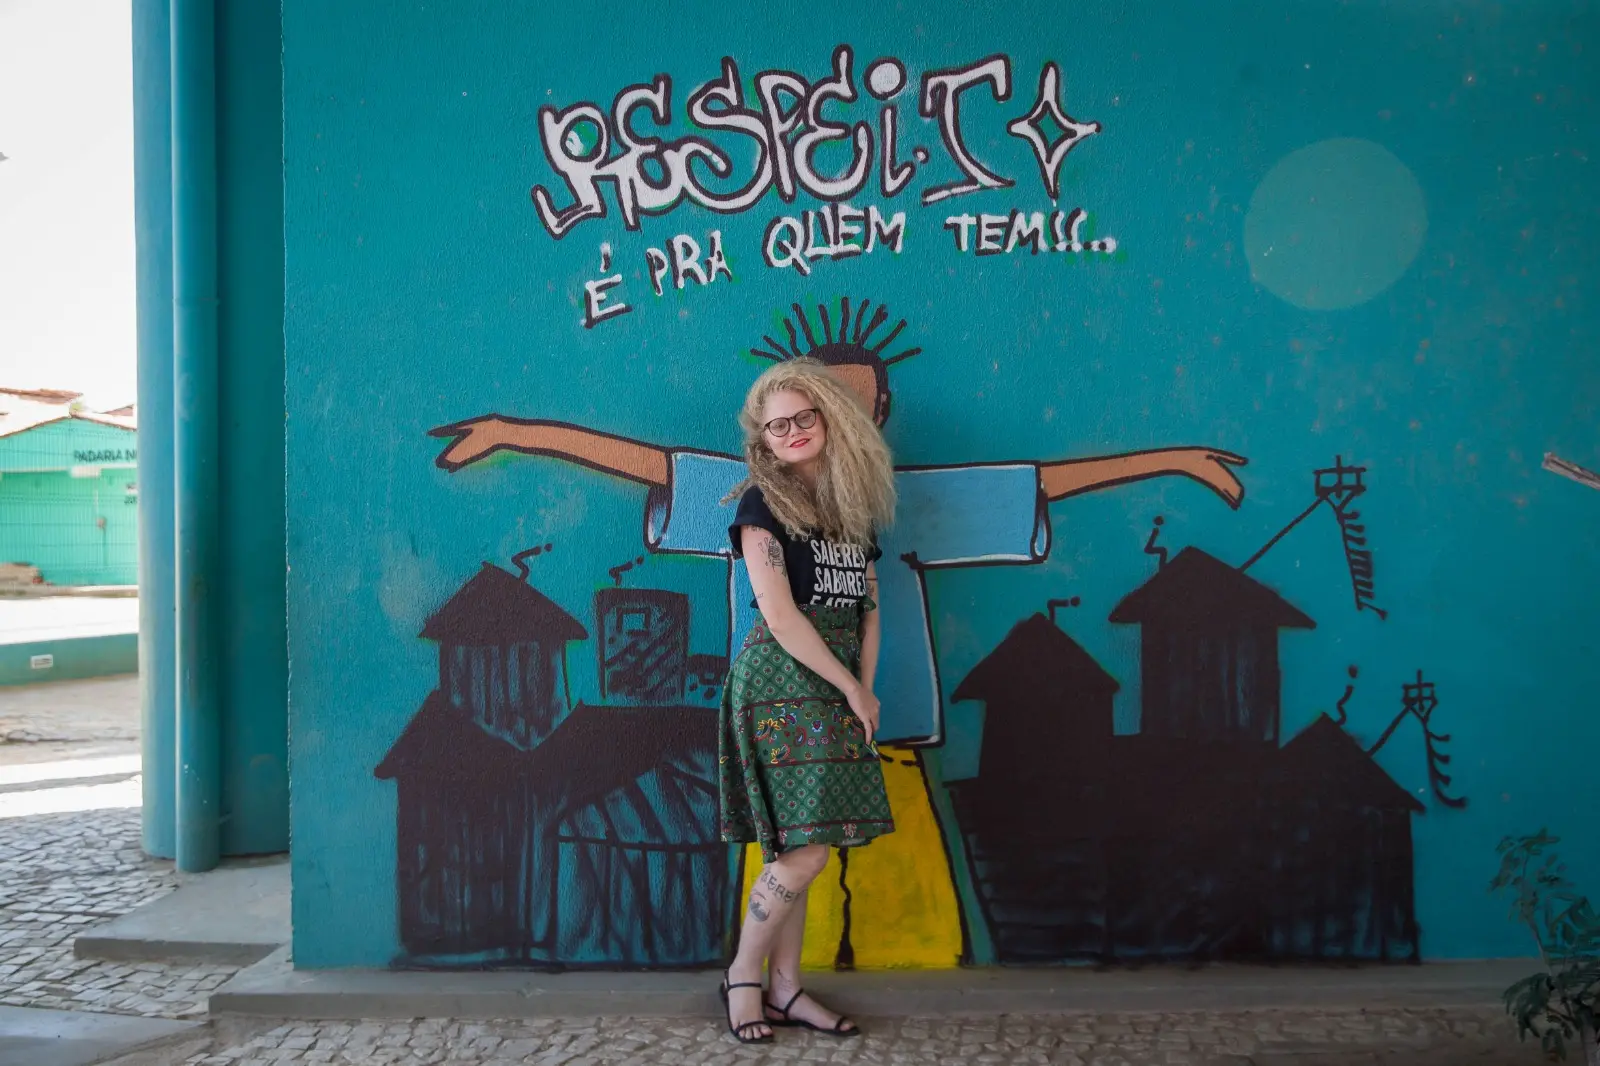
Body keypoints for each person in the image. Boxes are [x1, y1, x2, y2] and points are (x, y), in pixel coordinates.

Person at [431, 297, 1248, 969]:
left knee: (916, 923)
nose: (822, 421)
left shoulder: (892, 498)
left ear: (875, 412)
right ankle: (754, 982)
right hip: (788, 720)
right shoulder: (750, 490)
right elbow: (646, 464)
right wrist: (513, 433)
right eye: (807, 407)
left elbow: (1038, 484)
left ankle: (787, 989)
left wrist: (1177, 461)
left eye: (843, 405)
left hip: (885, 737)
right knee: (795, 882)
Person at [716, 356, 894, 1043]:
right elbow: (780, 614)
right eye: (776, 427)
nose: (791, 432)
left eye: (802, 418)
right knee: (806, 852)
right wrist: (850, 687)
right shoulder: (761, 506)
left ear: (828, 417)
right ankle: (743, 976)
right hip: (781, 682)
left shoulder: (853, 510)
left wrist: (863, 688)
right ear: (761, 440)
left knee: (801, 845)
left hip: (839, 681)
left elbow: (869, 613)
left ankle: (786, 989)